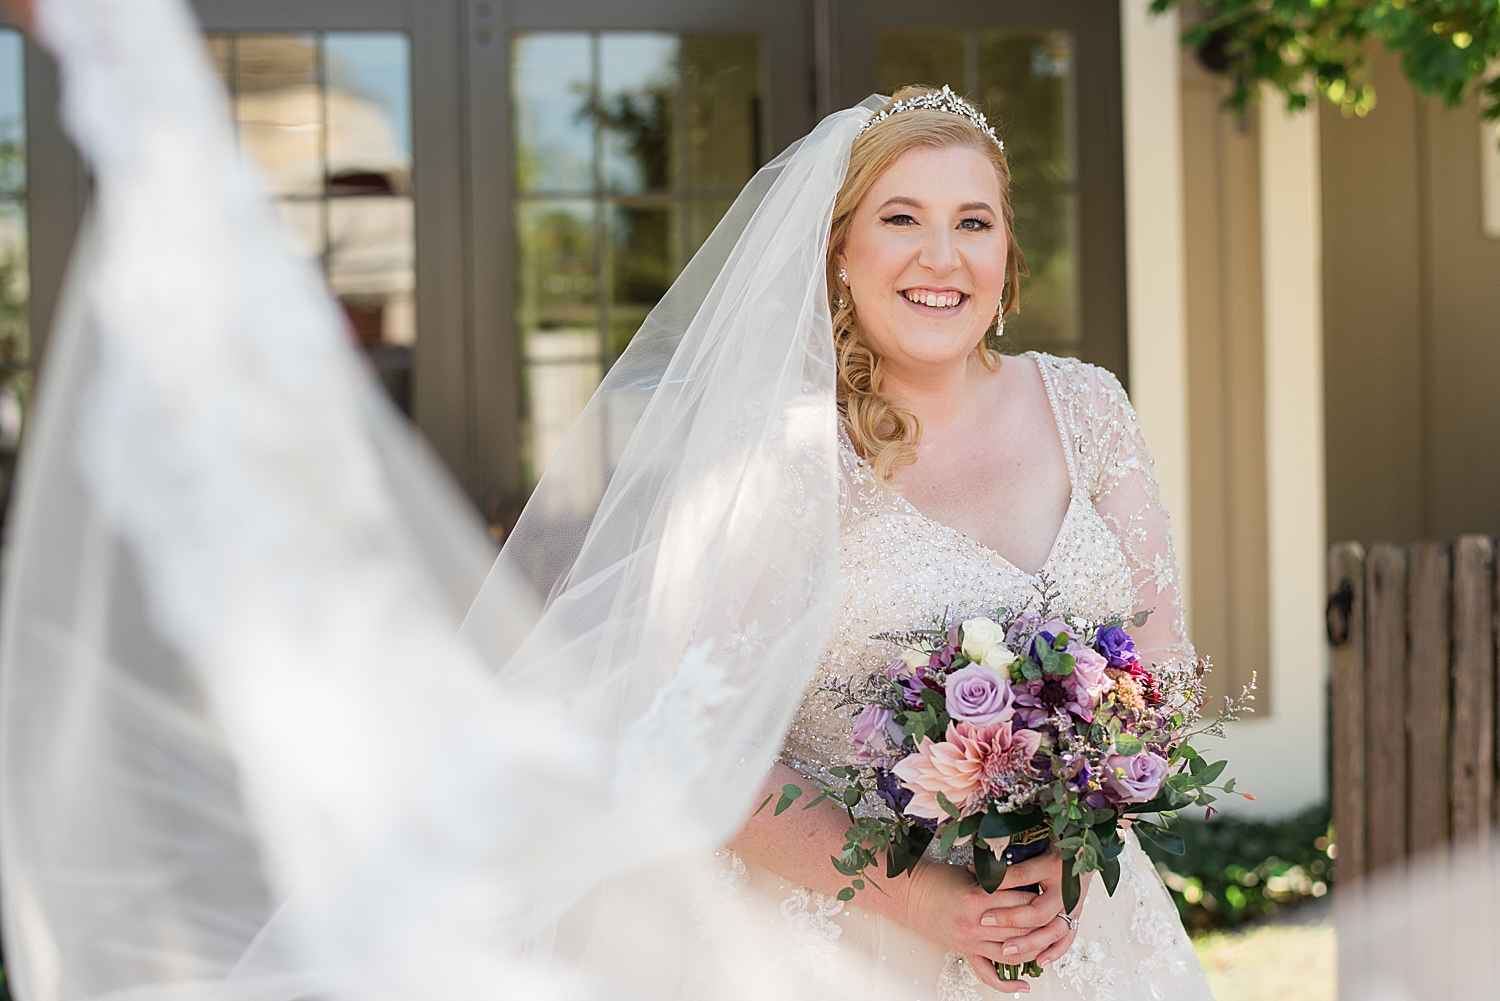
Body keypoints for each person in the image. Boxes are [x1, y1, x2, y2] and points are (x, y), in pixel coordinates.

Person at [722, 87, 1213, 999]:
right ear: (840, 253)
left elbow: (1164, 663)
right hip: (855, 949)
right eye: (900, 217)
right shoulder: (787, 457)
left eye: (973, 221)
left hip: (1083, 930)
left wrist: (1080, 827)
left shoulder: (1088, 406)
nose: (940, 257)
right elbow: (715, 754)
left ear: (1006, 257)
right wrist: (927, 903)